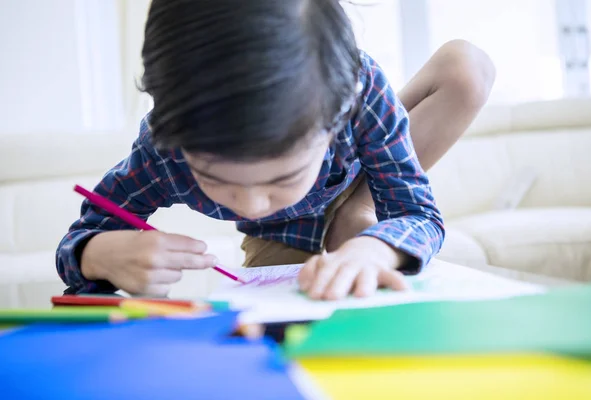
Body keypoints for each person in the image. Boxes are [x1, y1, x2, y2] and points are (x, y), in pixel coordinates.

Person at [56, 0, 495, 300]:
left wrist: (378, 248)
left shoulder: (360, 95)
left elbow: (418, 216)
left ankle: (356, 209)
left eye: (281, 178)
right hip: (282, 238)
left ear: (339, 116)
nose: (251, 204)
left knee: (466, 68)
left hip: (364, 174)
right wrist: (98, 255)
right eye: (216, 180)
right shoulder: (163, 151)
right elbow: (78, 239)